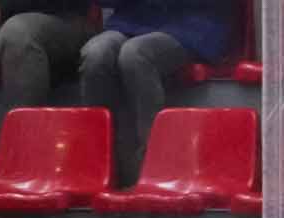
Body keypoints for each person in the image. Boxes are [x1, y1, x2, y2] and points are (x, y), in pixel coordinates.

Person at [79, 0, 241, 182]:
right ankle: (99, 163)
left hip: (191, 25)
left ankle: (151, 166)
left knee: (135, 54)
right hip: (131, 22)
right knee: (95, 54)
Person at [0, 1, 92, 112]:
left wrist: (1, 7)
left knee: (16, 34)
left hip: (62, 16)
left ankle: (25, 122)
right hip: (2, 20)